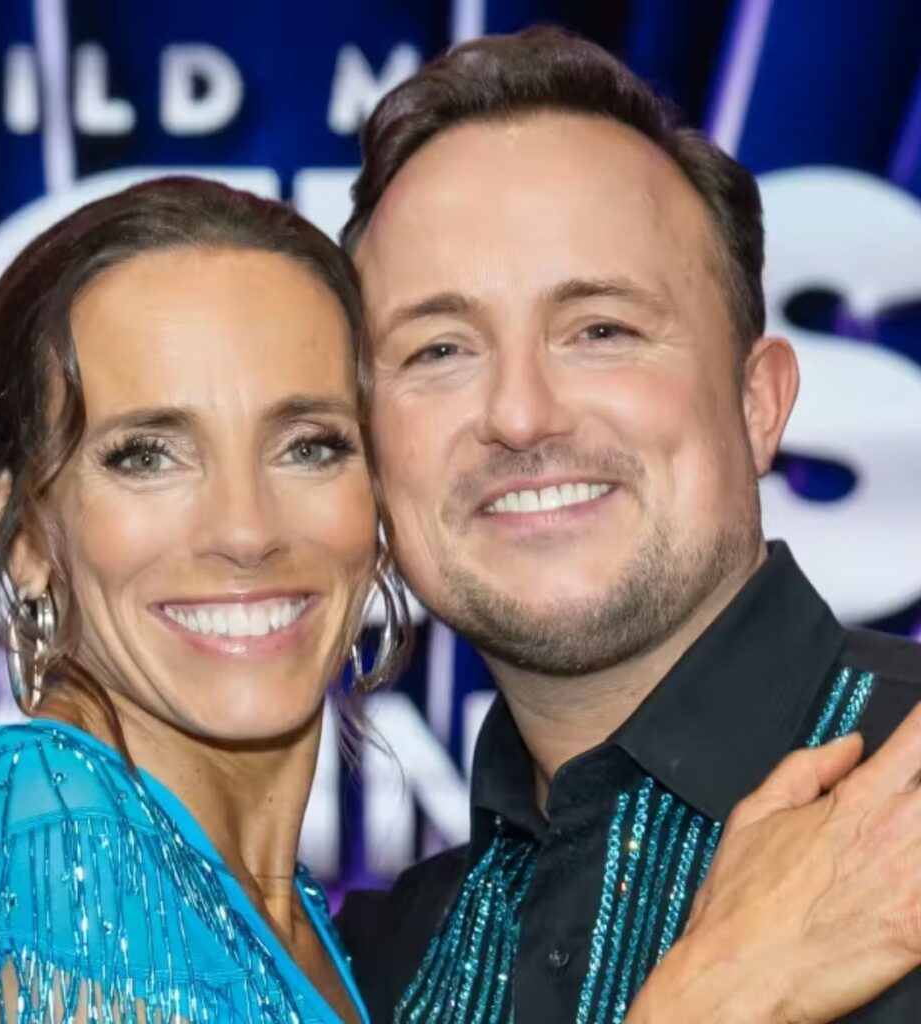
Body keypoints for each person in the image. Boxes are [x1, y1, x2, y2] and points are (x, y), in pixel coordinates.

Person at [334, 26, 921, 1023]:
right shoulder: (368, 970)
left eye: (600, 330)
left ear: (758, 403)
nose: (521, 414)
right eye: (439, 350)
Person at [0, 177, 413, 1022]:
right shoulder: (48, 840)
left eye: (310, 446)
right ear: (23, 535)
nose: (246, 530)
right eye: (146, 456)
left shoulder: (284, 919)